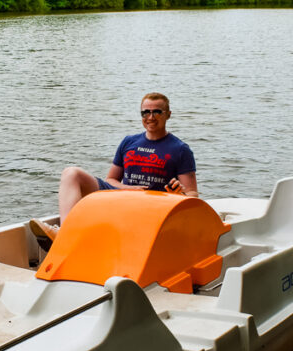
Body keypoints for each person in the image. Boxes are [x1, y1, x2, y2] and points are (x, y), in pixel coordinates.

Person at [29, 92, 198, 246]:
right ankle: (66, 234)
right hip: (122, 195)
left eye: (157, 112)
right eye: (145, 112)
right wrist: (129, 189)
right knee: (71, 173)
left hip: (153, 203)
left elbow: (193, 195)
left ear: (168, 115)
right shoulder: (129, 141)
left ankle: (67, 237)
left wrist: (178, 194)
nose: (150, 117)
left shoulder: (180, 149)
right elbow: (111, 180)